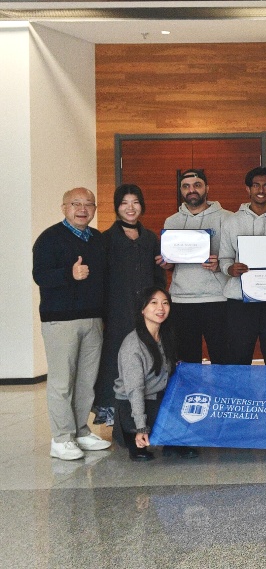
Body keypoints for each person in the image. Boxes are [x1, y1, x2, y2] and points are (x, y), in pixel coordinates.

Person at [32, 187, 113, 460]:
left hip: (93, 319)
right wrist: (70, 273)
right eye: (76, 203)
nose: (82, 209)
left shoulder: (98, 239)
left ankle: (80, 431)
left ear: (94, 209)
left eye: (88, 204)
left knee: (86, 381)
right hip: (60, 320)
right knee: (62, 382)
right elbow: (40, 275)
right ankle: (61, 438)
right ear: (64, 207)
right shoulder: (49, 238)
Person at [94, 184, 166, 427]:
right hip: (117, 310)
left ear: (141, 205)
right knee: (115, 360)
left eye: (135, 202)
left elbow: (158, 277)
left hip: (146, 313)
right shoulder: (105, 239)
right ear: (117, 207)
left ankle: (147, 414)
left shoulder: (150, 238)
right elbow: (101, 279)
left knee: (149, 358)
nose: (130, 207)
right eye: (124, 202)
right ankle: (115, 414)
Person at [220, 167, 266, 365]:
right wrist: (230, 269)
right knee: (238, 357)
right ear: (248, 189)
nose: (261, 190)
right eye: (256, 185)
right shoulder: (231, 222)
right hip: (240, 301)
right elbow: (224, 258)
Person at [114, 287, 196, 460]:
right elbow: (135, 391)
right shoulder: (133, 345)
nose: (161, 308)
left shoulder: (166, 336)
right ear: (142, 309)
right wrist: (141, 428)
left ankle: (171, 443)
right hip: (133, 405)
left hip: (158, 399)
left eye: (165, 303)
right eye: (154, 303)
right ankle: (136, 436)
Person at [160, 169, 230, 364]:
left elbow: (238, 258)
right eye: (186, 186)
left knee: (223, 360)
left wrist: (221, 264)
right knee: (187, 363)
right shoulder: (172, 221)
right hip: (182, 300)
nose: (191, 190)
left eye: (197, 185)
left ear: (207, 188)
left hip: (218, 299)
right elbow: (171, 263)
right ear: (181, 190)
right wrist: (167, 264)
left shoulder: (227, 218)